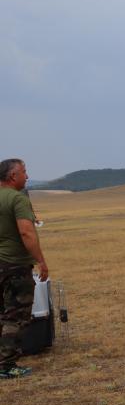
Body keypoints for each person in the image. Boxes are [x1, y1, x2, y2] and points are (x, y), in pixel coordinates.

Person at [0, 158, 48, 379]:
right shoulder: (18, 199)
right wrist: (41, 261)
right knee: (16, 315)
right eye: (24, 172)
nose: (27, 177)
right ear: (12, 176)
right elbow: (27, 233)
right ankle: (6, 365)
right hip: (15, 265)